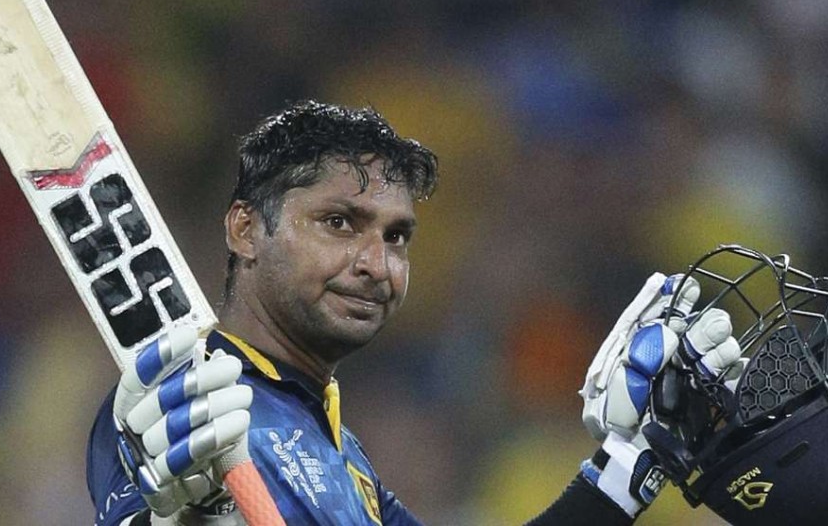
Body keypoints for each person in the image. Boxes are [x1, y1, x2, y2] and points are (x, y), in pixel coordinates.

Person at [86, 100, 737, 525]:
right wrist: (169, 518)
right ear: (246, 230)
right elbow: (145, 493)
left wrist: (632, 460)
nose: (376, 262)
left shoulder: (344, 455)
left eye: (396, 237)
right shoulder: (169, 407)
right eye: (340, 222)